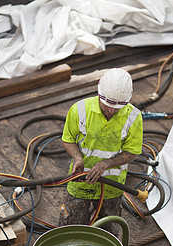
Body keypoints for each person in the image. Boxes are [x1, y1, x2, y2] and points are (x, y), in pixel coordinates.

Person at [59, 68, 143, 236]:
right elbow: (68, 139)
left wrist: (106, 164)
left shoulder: (134, 117)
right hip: (80, 180)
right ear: (99, 92)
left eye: (118, 107)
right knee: (71, 229)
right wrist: (77, 158)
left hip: (112, 184)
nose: (112, 111)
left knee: (109, 231)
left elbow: (132, 152)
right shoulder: (80, 110)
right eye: (108, 104)